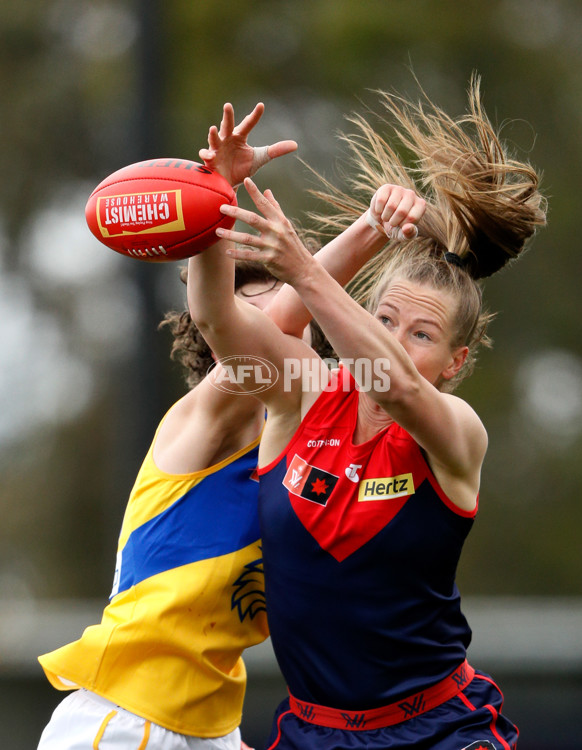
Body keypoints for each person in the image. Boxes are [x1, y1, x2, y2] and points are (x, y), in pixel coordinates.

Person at [187, 75, 546, 750]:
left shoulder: (455, 432)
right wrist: (214, 195)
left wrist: (306, 273)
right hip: (312, 734)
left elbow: (401, 390)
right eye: (385, 319)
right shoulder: (304, 398)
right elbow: (216, 321)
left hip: (440, 731)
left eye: (421, 334)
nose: (397, 343)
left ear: (455, 363)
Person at [36, 102, 399, 750]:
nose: (284, 316)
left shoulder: (302, 439)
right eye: (254, 299)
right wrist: (216, 198)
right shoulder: (214, 412)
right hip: (127, 723)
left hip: (210, 729)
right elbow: (260, 319)